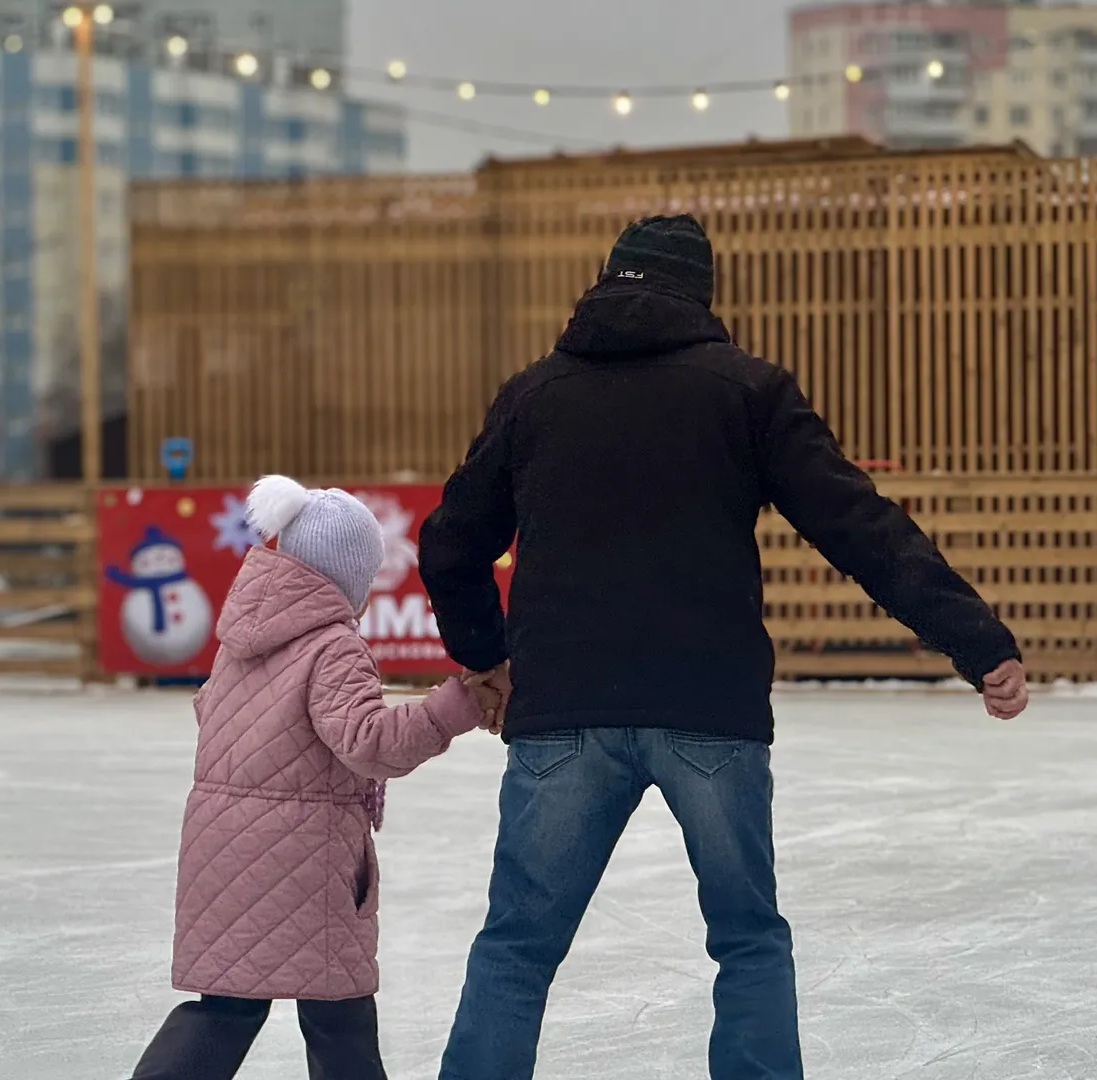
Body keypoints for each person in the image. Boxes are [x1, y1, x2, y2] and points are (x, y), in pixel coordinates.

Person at [417, 214, 1028, 1080]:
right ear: (700, 294)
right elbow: (858, 525)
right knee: (746, 943)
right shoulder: (746, 391)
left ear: (603, 282)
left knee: (516, 947)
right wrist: (977, 641)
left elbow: (449, 542)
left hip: (565, 716)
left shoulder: (535, 396)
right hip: (710, 710)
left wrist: (489, 654)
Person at [130, 475, 494, 1080]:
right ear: (348, 578)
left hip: (220, 848)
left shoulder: (240, 638)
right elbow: (368, 743)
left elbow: (211, 712)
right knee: (338, 1010)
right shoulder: (332, 647)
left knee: (226, 1004)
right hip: (303, 856)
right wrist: (450, 710)